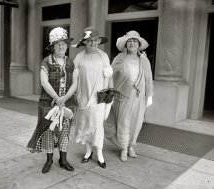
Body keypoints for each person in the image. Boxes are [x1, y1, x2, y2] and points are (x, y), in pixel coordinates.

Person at [27, 27, 78, 173]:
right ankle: (49, 160)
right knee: (48, 132)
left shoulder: (71, 62)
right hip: (48, 104)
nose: (61, 46)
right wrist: (57, 98)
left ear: (67, 45)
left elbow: (75, 83)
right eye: (57, 43)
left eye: (63, 43)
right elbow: (44, 82)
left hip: (66, 104)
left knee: (64, 132)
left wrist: (65, 98)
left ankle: (63, 160)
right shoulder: (46, 61)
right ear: (53, 46)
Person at [104, 30, 153, 162]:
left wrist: (149, 95)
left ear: (138, 44)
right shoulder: (120, 58)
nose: (132, 43)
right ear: (126, 44)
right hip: (123, 96)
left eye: (134, 41)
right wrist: (108, 91)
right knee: (123, 123)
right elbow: (111, 75)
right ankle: (124, 148)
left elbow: (148, 78)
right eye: (129, 41)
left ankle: (131, 146)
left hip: (139, 96)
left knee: (136, 123)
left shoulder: (144, 59)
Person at [72, 26, 113, 169]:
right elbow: (74, 79)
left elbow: (109, 77)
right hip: (83, 96)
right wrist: (75, 94)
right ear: (85, 42)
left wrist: (108, 98)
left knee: (97, 126)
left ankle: (100, 155)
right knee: (85, 125)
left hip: (98, 97)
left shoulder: (103, 56)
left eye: (94, 40)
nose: (92, 43)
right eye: (89, 40)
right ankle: (88, 152)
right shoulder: (79, 57)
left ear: (98, 41)